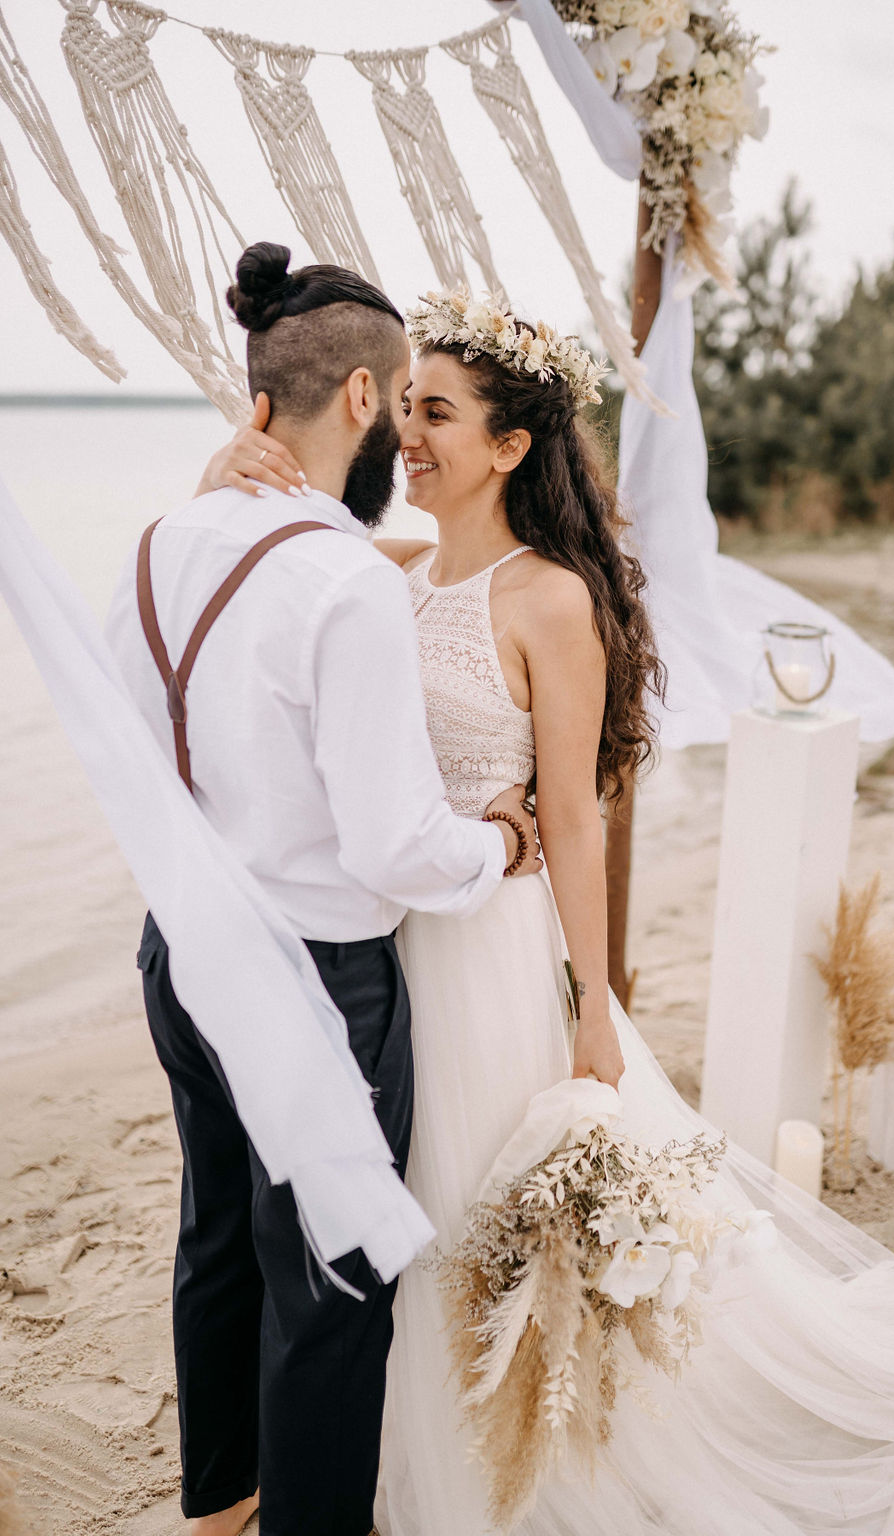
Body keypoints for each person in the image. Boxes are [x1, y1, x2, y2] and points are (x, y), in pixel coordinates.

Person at [203, 284, 894, 1535]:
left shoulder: (552, 601)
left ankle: (508, 1455)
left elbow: (579, 818)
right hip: (387, 938)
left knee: (476, 1196)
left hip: (492, 952)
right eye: (403, 408)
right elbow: (279, 544)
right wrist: (233, 458)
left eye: (437, 414)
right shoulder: (393, 568)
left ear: (512, 445)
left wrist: (592, 1006)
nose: (406, 438)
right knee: (394, 1207)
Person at [106, 246, 542, 1536]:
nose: (403, 424)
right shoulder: (346, 584)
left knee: (221, 1239)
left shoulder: (159, 538)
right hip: (315, 980)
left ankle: (218, 1509)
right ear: (359, 395)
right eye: (401, 397)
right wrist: (501, 846)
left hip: (179, 951)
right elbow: (398, 847)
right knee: (337, 1284)